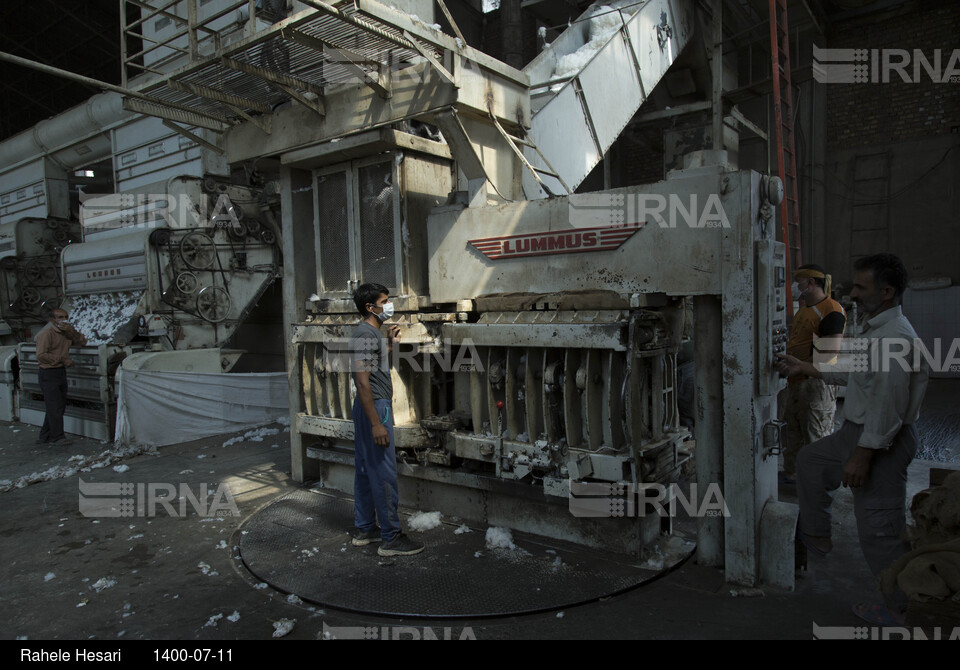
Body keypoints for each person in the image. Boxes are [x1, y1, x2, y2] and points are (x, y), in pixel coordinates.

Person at [778, 253, 929, 625]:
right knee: (811, 461)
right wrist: (807, 367)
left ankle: (900, 609)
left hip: (881, 441)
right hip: (856, 430)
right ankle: (818, 534)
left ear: (888, 291)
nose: (854, 294)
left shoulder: (895, 338)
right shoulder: (873, 329)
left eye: (862, 287)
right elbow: (853, 373)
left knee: (879, 530)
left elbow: (887, 406)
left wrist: (862, 456)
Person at [348, 283, 424, 557]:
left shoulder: (370, 334)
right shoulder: (365, 335)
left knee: (366, 470)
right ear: (371, 307)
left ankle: (365, 529)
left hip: (367, 408)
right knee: (384, 472)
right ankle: (390, 537)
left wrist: (389, 345)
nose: (389, 305)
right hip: (375, 407)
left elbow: (373, 363)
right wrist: (377, 423)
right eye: (385, 300)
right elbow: (362, 381)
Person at [780, 264, 846, 481]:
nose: (796, 287)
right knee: (794, 434)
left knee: (815, 435)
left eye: (799, 282)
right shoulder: (804, 310)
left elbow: (828, 353)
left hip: (816, 383)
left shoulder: (831, 309)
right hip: (796, 382)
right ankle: (793, 477)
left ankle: (818, 483)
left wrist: (800, 365)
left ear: (811, 283)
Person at [35, 308, 87, 446]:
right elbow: (41, 355)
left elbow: (82, 342)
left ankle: (44, 436)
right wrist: (63, 360)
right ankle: (57, 437)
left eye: (65, 317)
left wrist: (72, 331)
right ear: (52, 320)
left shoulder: (67, 334)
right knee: (55, 406)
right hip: (48, 373)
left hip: (59, 372)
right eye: (59, 317)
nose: (63, 320)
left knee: (57, 406)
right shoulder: (46, 334)